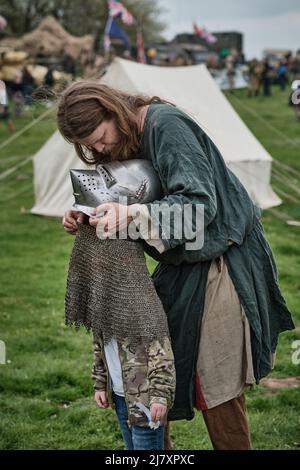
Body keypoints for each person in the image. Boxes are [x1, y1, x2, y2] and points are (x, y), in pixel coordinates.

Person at [58, 81, 294, 450]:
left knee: (214, 380)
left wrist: (132, 214)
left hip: (222, 260)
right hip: (181, 264)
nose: (99, 149)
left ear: (112, 111)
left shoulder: (166, 125)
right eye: (89, 146)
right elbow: (128, 193)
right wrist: (86, 214)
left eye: (100, 138)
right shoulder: (126, 137)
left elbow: (199, 205)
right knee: (155, 374)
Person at [64, 161, 176, 451]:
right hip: (120, 396)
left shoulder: (140, 305)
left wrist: (161, 397)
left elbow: (161, 356)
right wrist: (100, 384)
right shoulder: (107, 304)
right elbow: (100, 347)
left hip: (146, 400)